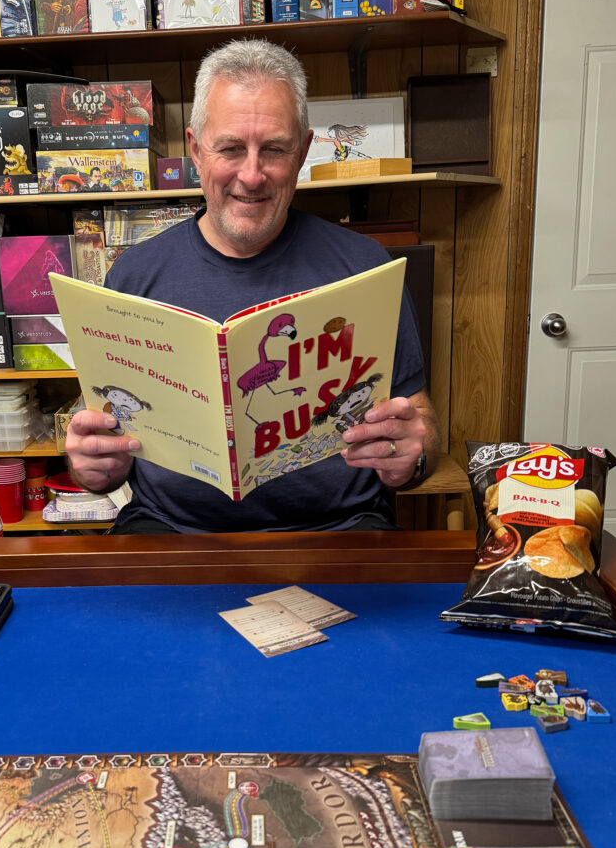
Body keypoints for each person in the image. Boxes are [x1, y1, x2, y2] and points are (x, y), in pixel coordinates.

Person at [66, 38, 440, 533]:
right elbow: (99, 434)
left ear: (303, 152)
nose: (251, 175)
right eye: (230, 148)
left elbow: (421, 429)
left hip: (340, 529)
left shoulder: (366, 268)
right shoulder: (133, 276)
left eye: (275, 150)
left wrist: (413, 456)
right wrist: (91, 466)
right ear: (197, 151)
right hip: (170, 530)